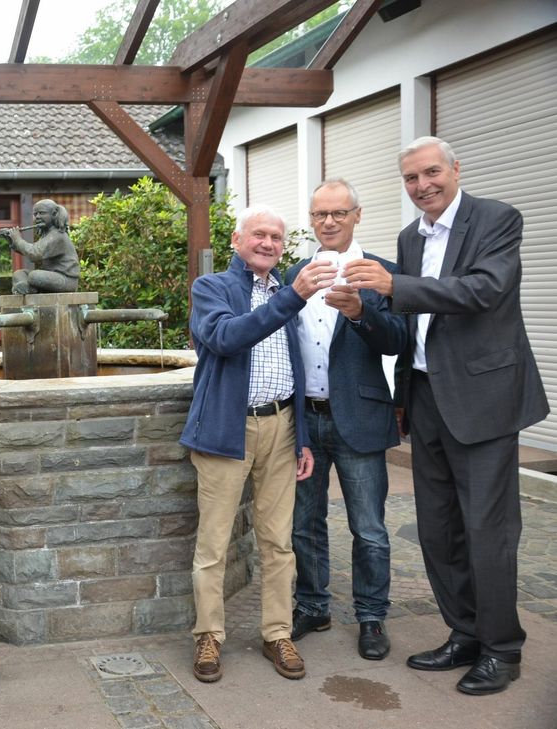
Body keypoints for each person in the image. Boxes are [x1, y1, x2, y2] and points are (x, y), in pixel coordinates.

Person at [347, 136, 548, 695]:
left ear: (455, 169)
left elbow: (484, 290)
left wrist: (396, 285)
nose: (422, 186)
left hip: (484, 400)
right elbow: (416, 328)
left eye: (431, 173)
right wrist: (405, 398)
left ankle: (502, 649)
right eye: (411, 179)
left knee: (488, 530)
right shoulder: (411, 237)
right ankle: (464, 632)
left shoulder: (497, 219)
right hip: (428, 399)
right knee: (438, 529)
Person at [179, 205, 333, 684]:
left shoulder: (283, 293)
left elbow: (297, 370)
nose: (268, 243)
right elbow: (225, 337)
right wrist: (292, 298)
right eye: (259, 235)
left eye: (276, 237)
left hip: (283, 427)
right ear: (236, 240)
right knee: (214, 543)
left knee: (278, 542)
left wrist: (302, 437)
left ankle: (276, 632)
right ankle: (209, 635)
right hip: (228, 430)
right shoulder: (213, 289)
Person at [285, 179, 407, 660]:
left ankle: (372, 616)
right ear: (311, 220)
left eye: (339, 213)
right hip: (306, 421)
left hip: (358, 415)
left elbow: (399, 340)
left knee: (369, 527)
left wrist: (360, 314)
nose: (329, 222)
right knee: (305, 523)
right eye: (320, 214)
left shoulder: (383, 273)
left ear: (358, 215)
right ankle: (312, 605)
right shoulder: (296, 274)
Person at [0, 199, 79, 294]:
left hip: (66, 280)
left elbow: (34, 254)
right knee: (19, 274)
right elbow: (32, 251)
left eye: (41, 213)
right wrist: (12, 240)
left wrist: (18, 240)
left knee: (33, 276)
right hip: (52, 277)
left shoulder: (58, 235)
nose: (37, 217)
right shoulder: (47, 235)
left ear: (54, 214)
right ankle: (28, 289)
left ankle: (27, 288)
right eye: (35, 214)